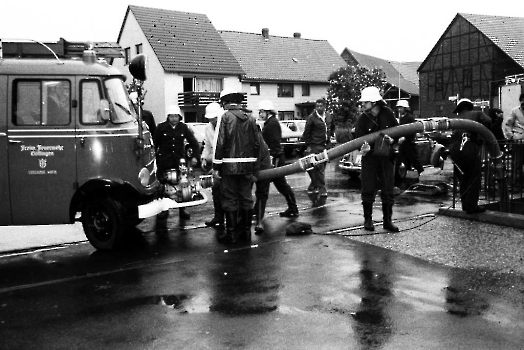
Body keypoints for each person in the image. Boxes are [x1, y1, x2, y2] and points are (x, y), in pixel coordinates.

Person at [213, 89, 260, 243]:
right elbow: (256, 143)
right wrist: (254, 164)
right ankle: (246, 233)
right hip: (247, 166)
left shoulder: (225, 116)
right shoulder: (251, 118)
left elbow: (220, 142)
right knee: (246, 198)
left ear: (225, 102)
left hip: (229, 166)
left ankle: (231, 234)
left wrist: (216, 166)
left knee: (230, 198)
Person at [355, 86, 399, 232]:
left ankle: (388, 221)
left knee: (388, 190)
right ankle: (368, 220)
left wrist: (393, 140)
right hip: (370, 159)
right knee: (368, 188)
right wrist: (363, 148)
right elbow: (357, 139)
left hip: (386, 158)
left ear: (373, 102)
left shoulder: (388, 113)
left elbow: (397, 131)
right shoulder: (362, 119)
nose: (362, 105)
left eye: (365, 102)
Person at [154, 105, 200, 219]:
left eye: (176, 116)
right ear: (168, 117)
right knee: (162, 186)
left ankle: (182, 209)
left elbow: (194, 143)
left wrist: (195, 157)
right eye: (171, 116)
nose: (174, 119)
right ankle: (163, 209)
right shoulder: (161, 127)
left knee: (182, 185)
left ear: (179, 117)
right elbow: (155, 144)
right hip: (164, 161)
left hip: (179, 162)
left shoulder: (184, 128)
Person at [448, 98, 492, 214]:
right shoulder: (477, 114)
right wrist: (479, 136)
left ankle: (465, 205)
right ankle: (471, 206)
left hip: (454, 149)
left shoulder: (455, 119)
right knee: (474, 176)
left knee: (463, 178)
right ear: (470, 106)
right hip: (468, 147)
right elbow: (488, 121)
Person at [257, 100, 299, 218]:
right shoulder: (271, 122)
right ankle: (292, 207)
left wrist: (272, 158)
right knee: (279, 184)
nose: (260, 115)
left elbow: (274, 143)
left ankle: (292, 208)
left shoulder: (271, 124)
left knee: (268, 184)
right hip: (275, 157)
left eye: (261, 112)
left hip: (274, 158)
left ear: (267, 112)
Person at [302, 98, 336, 197]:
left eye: (321, 106)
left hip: (326, 145)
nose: (319, 108)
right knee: (319, 168)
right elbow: (306, 132)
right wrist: (308, 145)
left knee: (321, 168)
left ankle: (313, 186)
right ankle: (322, 188)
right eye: (317, 106)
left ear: (324, 107)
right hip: (315, 145)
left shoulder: (329, 116)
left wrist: (331, 135)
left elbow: (332, 127)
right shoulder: (311, 118)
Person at [201, 102, 225, 228]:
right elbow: (207, 146)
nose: (212, 121)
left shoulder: (225, 125)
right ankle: (219, 217)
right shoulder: (208, 127)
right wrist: (204, 158)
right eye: (210, 119)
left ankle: (234, 221)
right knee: (216, 191)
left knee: (228, 193)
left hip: (226, 163)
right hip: (217, 163)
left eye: (214, 118)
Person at [394, 99, 423, 185]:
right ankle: (398, 180)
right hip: (403, 145)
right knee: (399, 161)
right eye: (398, 108)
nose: (399, 109)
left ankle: (422, 175)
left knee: (414, 161)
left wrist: (405, 138)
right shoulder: (401, 118)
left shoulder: (410, 118)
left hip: (409, 143)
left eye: (401, 108)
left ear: (405, 108)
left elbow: (412, 131)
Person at [502, 93, 524, 189]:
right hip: (518, 141)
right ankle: (516, 184)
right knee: (517, 164)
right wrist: (511, 136)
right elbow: (508, 124)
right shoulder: (515, 111)